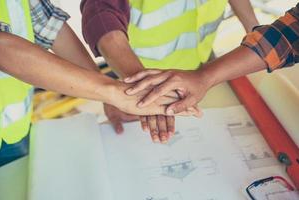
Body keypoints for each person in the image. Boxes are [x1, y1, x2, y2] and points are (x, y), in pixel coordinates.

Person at [0, 0, 188, 167]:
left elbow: (49, 24)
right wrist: (113, 92)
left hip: (13, 129)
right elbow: (4, 50)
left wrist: (112, 96)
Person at [80, 0, 259, 143]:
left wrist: (256, 36)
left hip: (201, 68)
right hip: (144, 84)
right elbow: (101, 14)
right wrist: (140, 85)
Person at [124, 3, 299, 115]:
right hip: (140, 69)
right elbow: (102, 14)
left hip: (200, 58)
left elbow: (291, 33)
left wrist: (253, 32)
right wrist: (118, 87)